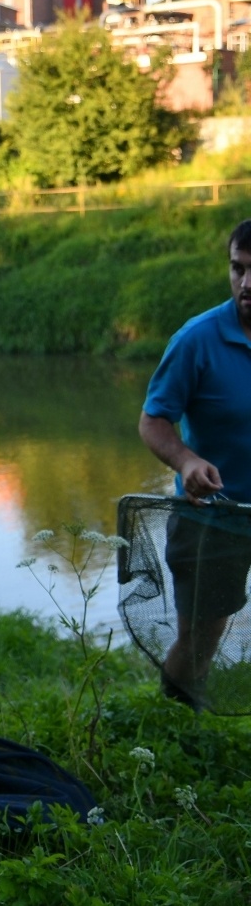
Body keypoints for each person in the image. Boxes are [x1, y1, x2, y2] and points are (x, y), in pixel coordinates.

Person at [139, 218, 251, 707]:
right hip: (215, 518)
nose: (247, 284)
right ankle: (174, 724)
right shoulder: (196, 339)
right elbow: (154, 421)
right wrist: (185, 460)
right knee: (200, 640)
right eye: (238, 269)